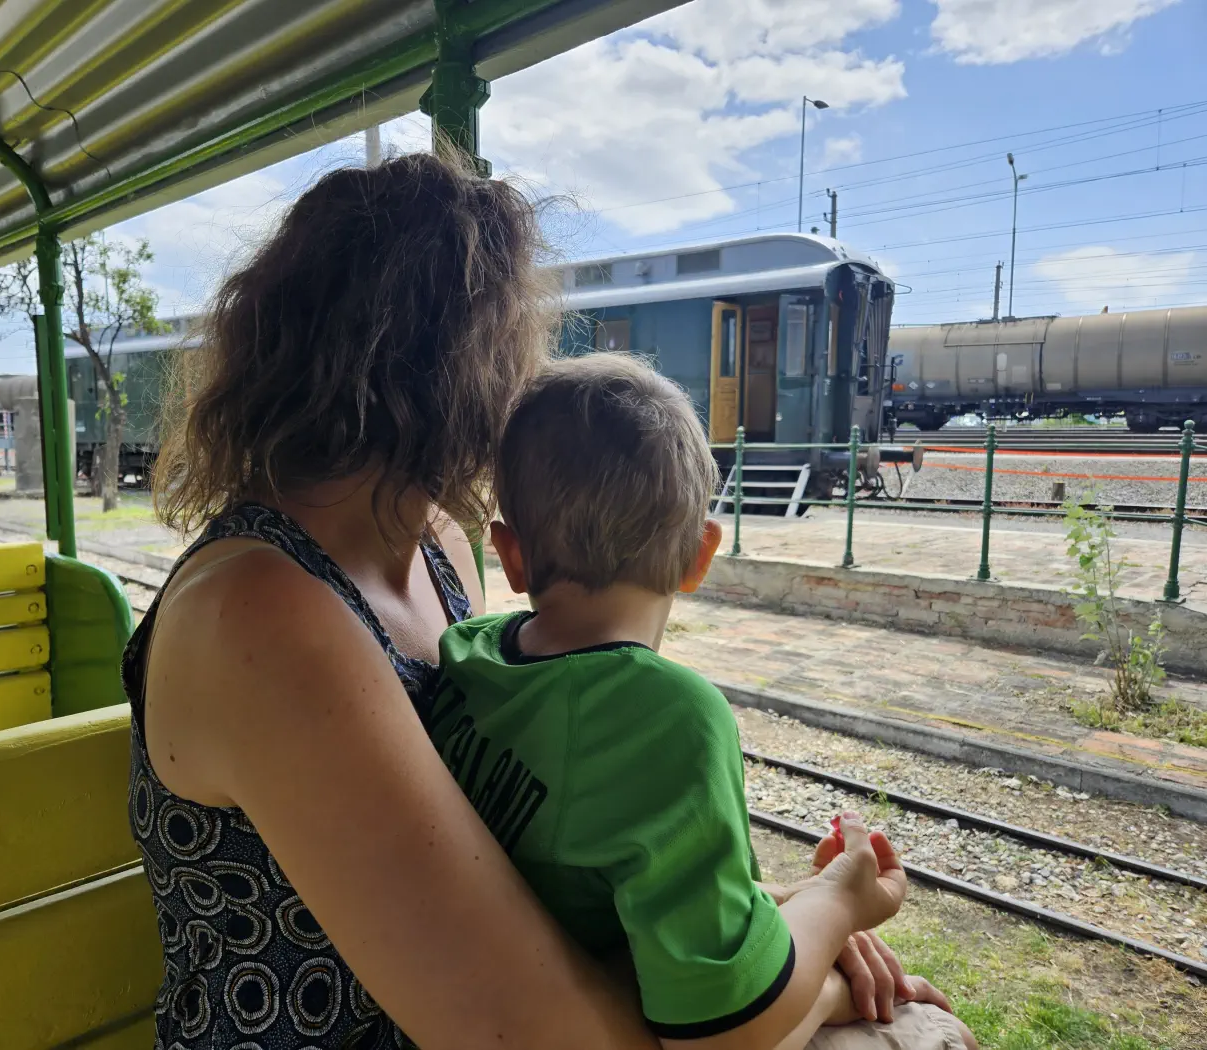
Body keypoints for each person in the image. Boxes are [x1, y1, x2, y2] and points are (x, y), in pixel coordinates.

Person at [128, 153, 660, 1050]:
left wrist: (772, 939)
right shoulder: (258, 611)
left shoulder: (443, 551)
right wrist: (785, 989)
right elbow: (518, 1032)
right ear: (460, 365)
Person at [426, 353, 977, 1050]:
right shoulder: (665, 718)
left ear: (510, 555)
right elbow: (721, 1030)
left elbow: (624, 887)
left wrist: (792, 907)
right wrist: (842, 903)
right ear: (700, 554)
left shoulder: (470, 657)